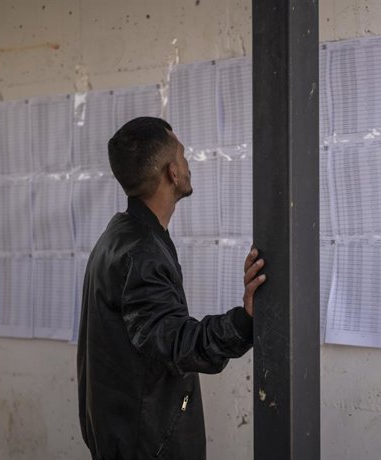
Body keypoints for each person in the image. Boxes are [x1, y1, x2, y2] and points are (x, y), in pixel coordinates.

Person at [77, 116, 266, 459]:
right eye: (182, 155)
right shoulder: (141, 253)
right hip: (146, 446)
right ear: (172, 173)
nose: (187, 162)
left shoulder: (121, 236)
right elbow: (176, 344)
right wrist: (245, 321)